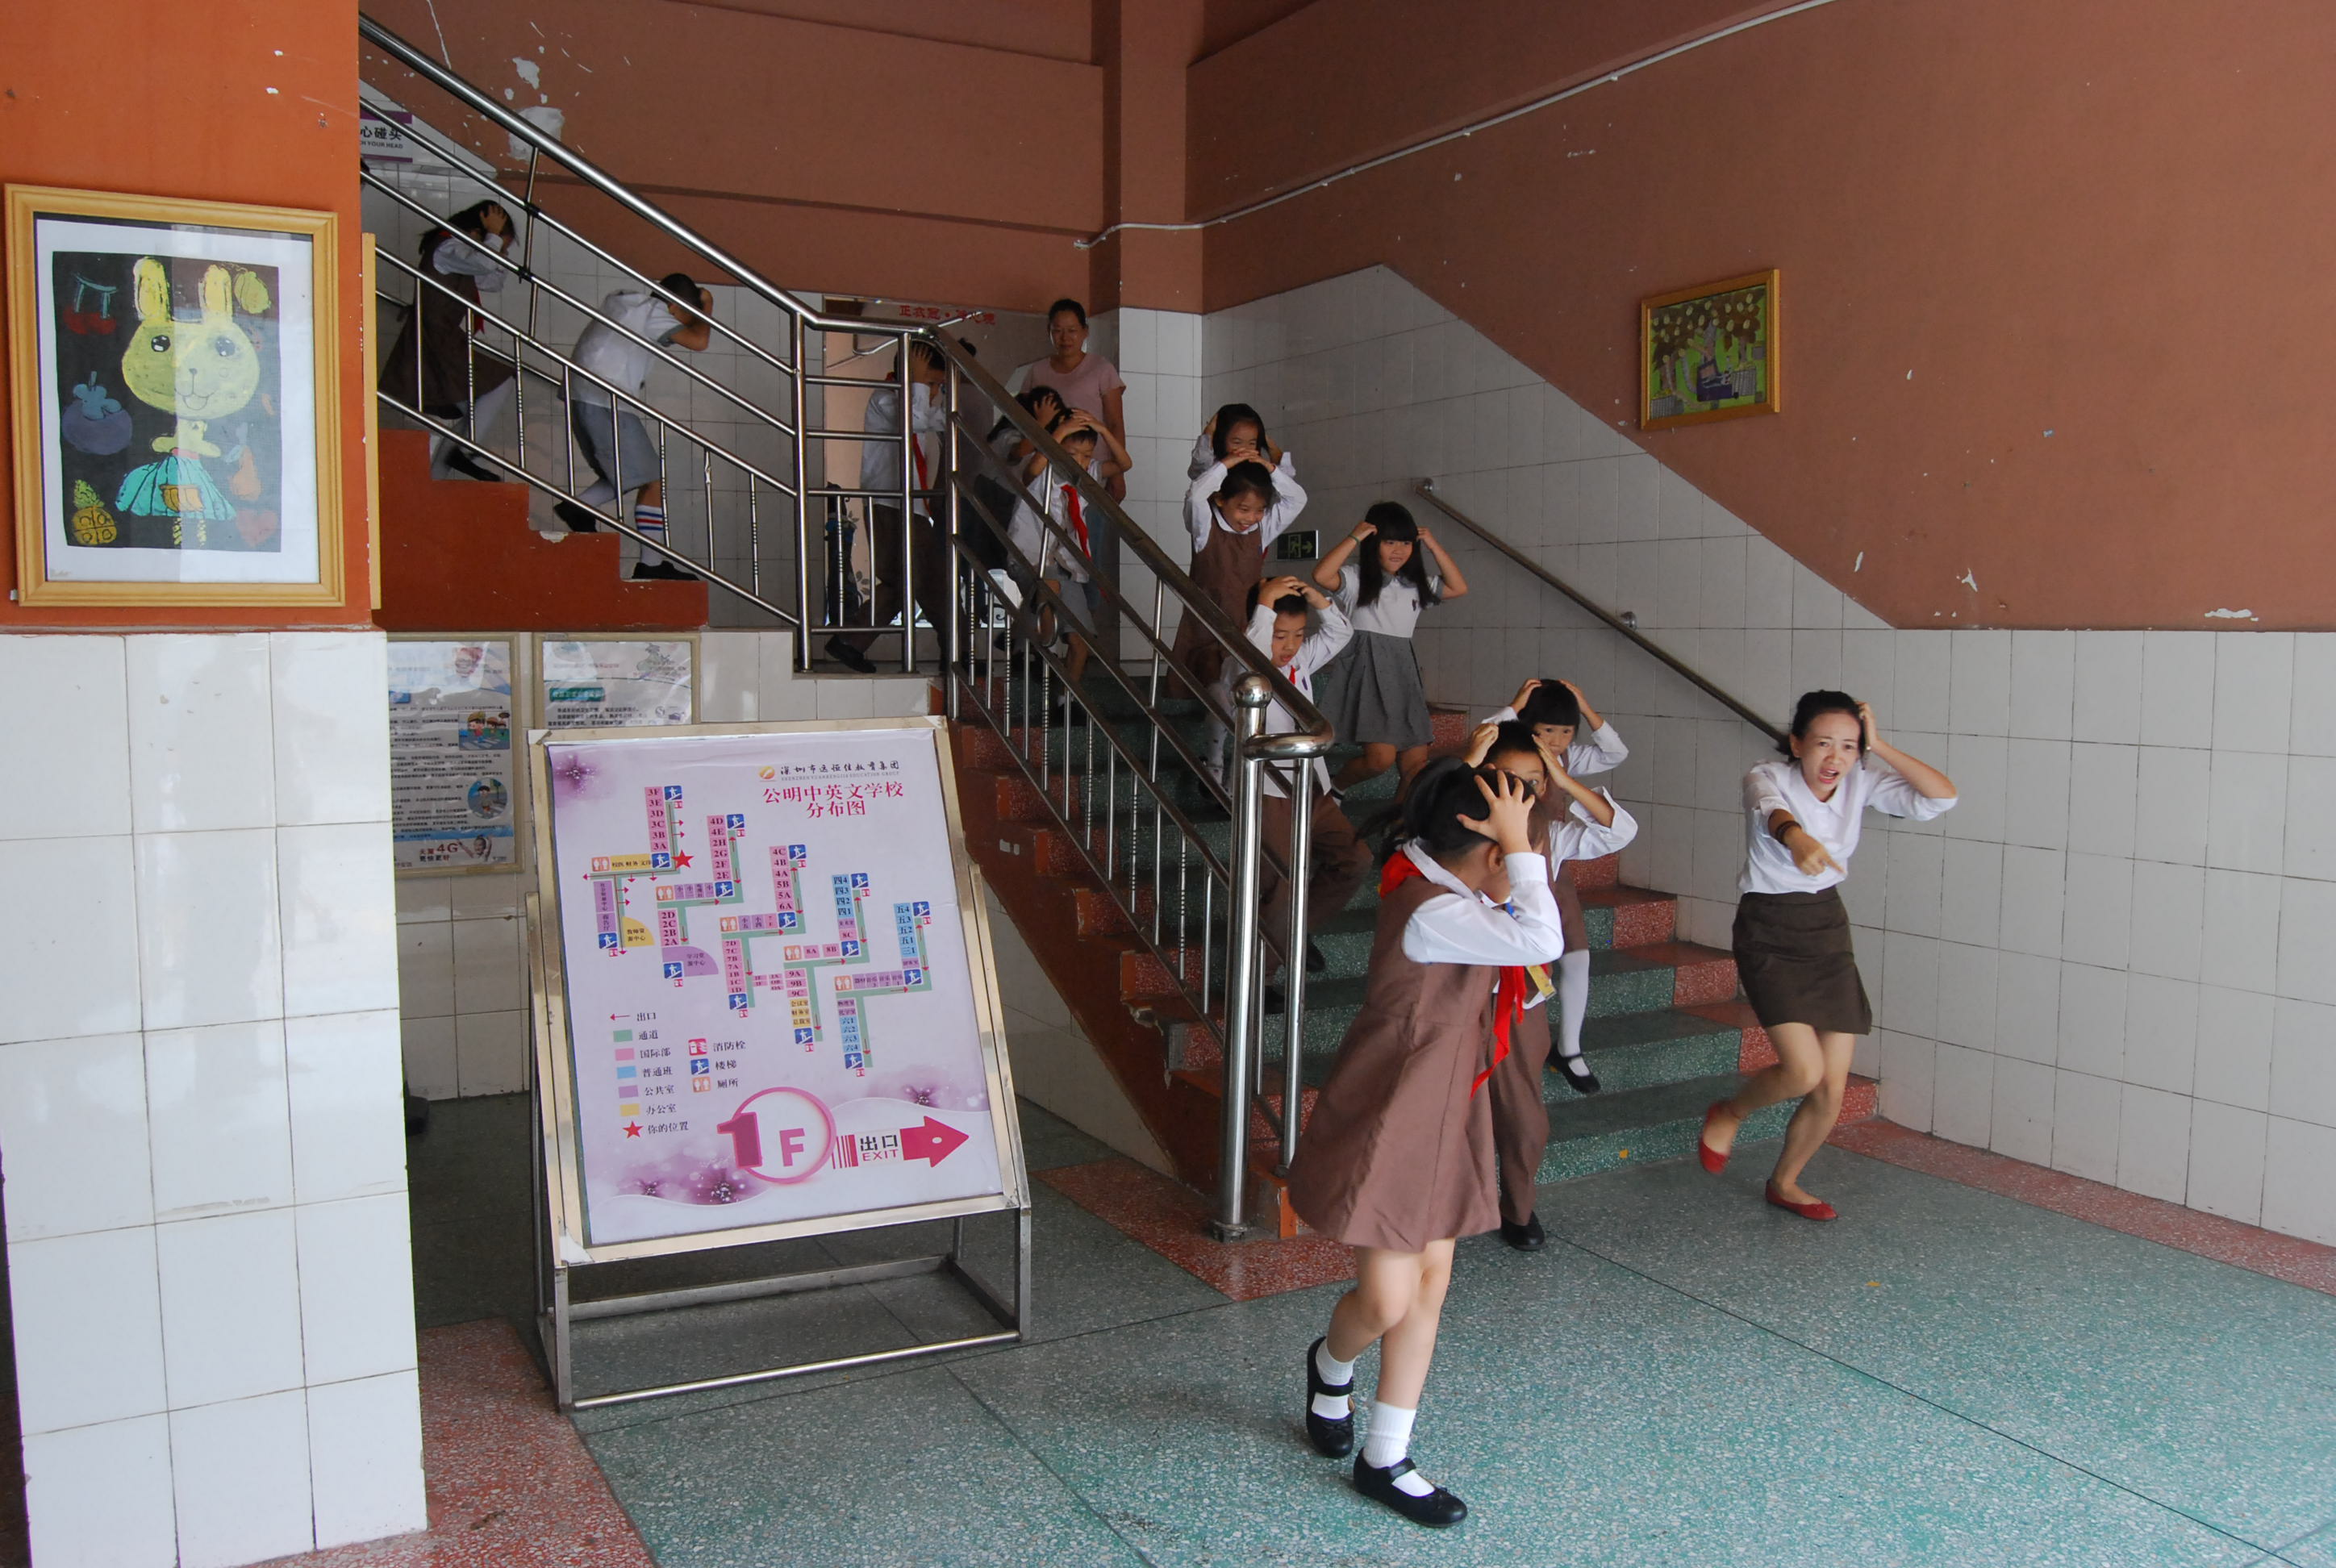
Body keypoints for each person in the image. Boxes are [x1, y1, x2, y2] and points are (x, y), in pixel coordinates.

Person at [1285, 761, 1566, 1527]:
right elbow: (1543, 934)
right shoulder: (1433, 908)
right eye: (1524, 852)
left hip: (1446, 1108)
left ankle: (1387, 1455)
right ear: (1492, 852)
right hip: (1393, 1112)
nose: (1532, 866)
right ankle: (1330, 1363)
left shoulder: (1456, 891)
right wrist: (1519, 848)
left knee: (1430, 1286)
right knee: (1385, 1299)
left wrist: (1507, 836)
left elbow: (1526, 933)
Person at [1699, 691, 1956, 1219]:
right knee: (1803, 1072)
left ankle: (1785, 1182)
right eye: (1823, 744)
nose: (1835, 757)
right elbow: (1771, 812)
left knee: (1831, 1088)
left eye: (1849, 746)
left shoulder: (1861, 780)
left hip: (1826, 928)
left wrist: (1880, 746)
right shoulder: (1767, 775)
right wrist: (1797, 840)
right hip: (1768, 926)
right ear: (1797, 744)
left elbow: (1941, 797)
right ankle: (1729, 1113)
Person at [1465, 721, 1637, 1250]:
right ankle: (1450, 1203)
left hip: (1520, 996)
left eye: (1534, 781)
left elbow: (1618, 831)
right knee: (1449, 1103)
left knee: (1524, 1114)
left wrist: (1563, 778)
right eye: (1507, 778)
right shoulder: (1454, 824)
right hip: (1456, 991)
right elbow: (1409, 837)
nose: (1521, 791)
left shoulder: (1551, 835)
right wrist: (1466, 766)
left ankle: (1517, 1207)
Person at [1210, 576, 1373, 974]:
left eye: (1298, 635)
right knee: (1281, 882)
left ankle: (1296, 931)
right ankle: (1261, 977)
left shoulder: (1299, 663)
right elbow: (1251, 653)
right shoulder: (1241, 668)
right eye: (1279, 635)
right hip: (1269, 790)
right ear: (1260, 625)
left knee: (1355, 859)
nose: (1289, 646)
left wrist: (1318, 598)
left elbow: (1341, 633)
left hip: (1311, 786)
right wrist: (1264, 602)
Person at [1476, 677, 1629, 1095]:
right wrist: (1514, 707)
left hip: (1547, 870)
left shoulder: (1563, 765)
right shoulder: (1507, 757)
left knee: (1575, 956)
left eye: (1566, 731)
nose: (1558, 741)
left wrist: (1583, 708)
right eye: (1548, 730)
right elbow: (1482, 742)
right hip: (1502, 896)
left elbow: (1616, 756)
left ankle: (1570, 1049)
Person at [553, 271, 714, 580]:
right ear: (675, 306)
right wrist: (707, 306)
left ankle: (582, 509)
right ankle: (648, 563)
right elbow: (699, 341)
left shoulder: (627, 304)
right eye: (685, 316)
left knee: (630, 473)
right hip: (605, 397)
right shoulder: (654, 312)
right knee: (650, 480)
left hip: (587, 394)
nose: (681, 325)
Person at [1311, 503, 1468, 796]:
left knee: (1416, 767)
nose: (1399, 550)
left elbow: (1459, 587)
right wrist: (1354, 537)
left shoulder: (1415, 584)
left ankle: (1400, 819)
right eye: (1390, 542)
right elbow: (1321, 575)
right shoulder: (1356, 578)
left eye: (1406, 543)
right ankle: (1335, 790)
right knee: (1379, 760)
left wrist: (1432, 544)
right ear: (1374, 543)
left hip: (1403, 677)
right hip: (1368, 674)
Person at [824, 340, 949, 672]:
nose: (933, 391)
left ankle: (851, 641)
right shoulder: (887, 398)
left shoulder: (917, 399)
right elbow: (914, 421)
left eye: (937, 385)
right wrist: (916, 382)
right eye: (929, 382)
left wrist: (926, 387)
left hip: (910, 505)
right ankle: (957, 650)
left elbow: (936, 420)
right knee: (919, 580)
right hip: (891, 503)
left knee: (916, 581)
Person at [381, 200, 517, 482]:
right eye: (496, 240)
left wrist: (497, 249)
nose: (499, 249)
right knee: (500, 382)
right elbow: (483, 263)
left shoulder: (460, 254)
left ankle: (443, 471)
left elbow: (491, 282)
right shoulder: (447, 247)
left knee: (473, 410)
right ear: (477, 230)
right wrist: (493, 238)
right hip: (437, 337)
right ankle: (465, 453)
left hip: (441, 336)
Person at [1009, 406, 1131, 696]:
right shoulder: (1045, 471)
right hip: (1031, 555)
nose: (1079, 461)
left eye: (1087, 455)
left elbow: (1124, 464)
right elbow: (1031, 471)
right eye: (1072, 453)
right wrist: (1060, 430)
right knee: (1048, 585)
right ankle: (1037, 648)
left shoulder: (1087, 474)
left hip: (1067, 564)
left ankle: (1064, 699)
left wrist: (1103, 430)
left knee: (1080, 641)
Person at [1173, 449, 1307, 689]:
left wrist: (1270, 469)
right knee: (1206, 686)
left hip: (1248, 624)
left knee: (1241, 685)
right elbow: (1196, 496)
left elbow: (1297, 499)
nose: (1251, 517)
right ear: (1221, 499)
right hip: (1205, 626)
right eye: (1243, 509)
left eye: (1260, 510)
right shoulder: (1205, 527)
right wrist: (1225, 465)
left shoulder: (1262, 530)